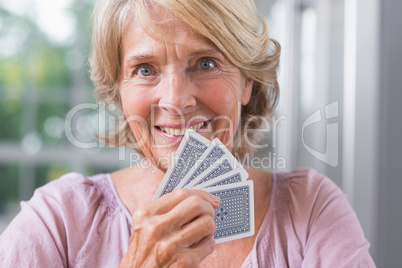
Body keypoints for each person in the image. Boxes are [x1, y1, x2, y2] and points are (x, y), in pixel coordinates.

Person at [0, 0, 375, 267]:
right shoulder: (58, 222)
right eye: (145, 69)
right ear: (118, 89)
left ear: (246, 81)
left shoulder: (310, 210)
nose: (176, 100)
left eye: (206, 63)